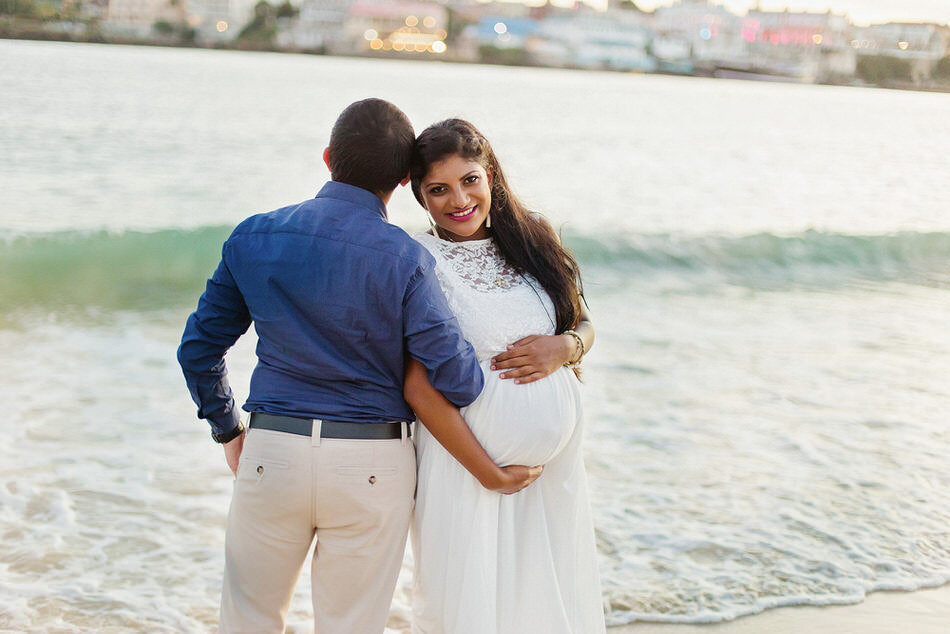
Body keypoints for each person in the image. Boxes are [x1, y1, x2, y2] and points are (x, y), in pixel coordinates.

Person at [177, 100, 540, 634]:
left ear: (328, 158)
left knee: (247, 622)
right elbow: (459, 381)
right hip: (372, 464)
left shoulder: (254, 234)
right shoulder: (407, 258)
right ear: (401, 178)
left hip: (272, 452)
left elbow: (198, 351)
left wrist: (228, 428)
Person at [403, 119, 606, 633]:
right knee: (470, 608)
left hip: (553, 473)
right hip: (466, 465)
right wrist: (486, 471)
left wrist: (567, 346)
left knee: (547, 599)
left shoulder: (531, 237)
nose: (458, 199)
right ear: (418, 195)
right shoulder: (418, 258)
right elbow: (417, 386)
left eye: (470, 179)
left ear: (490, 172)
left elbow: (581, 321)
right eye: (438, 190)